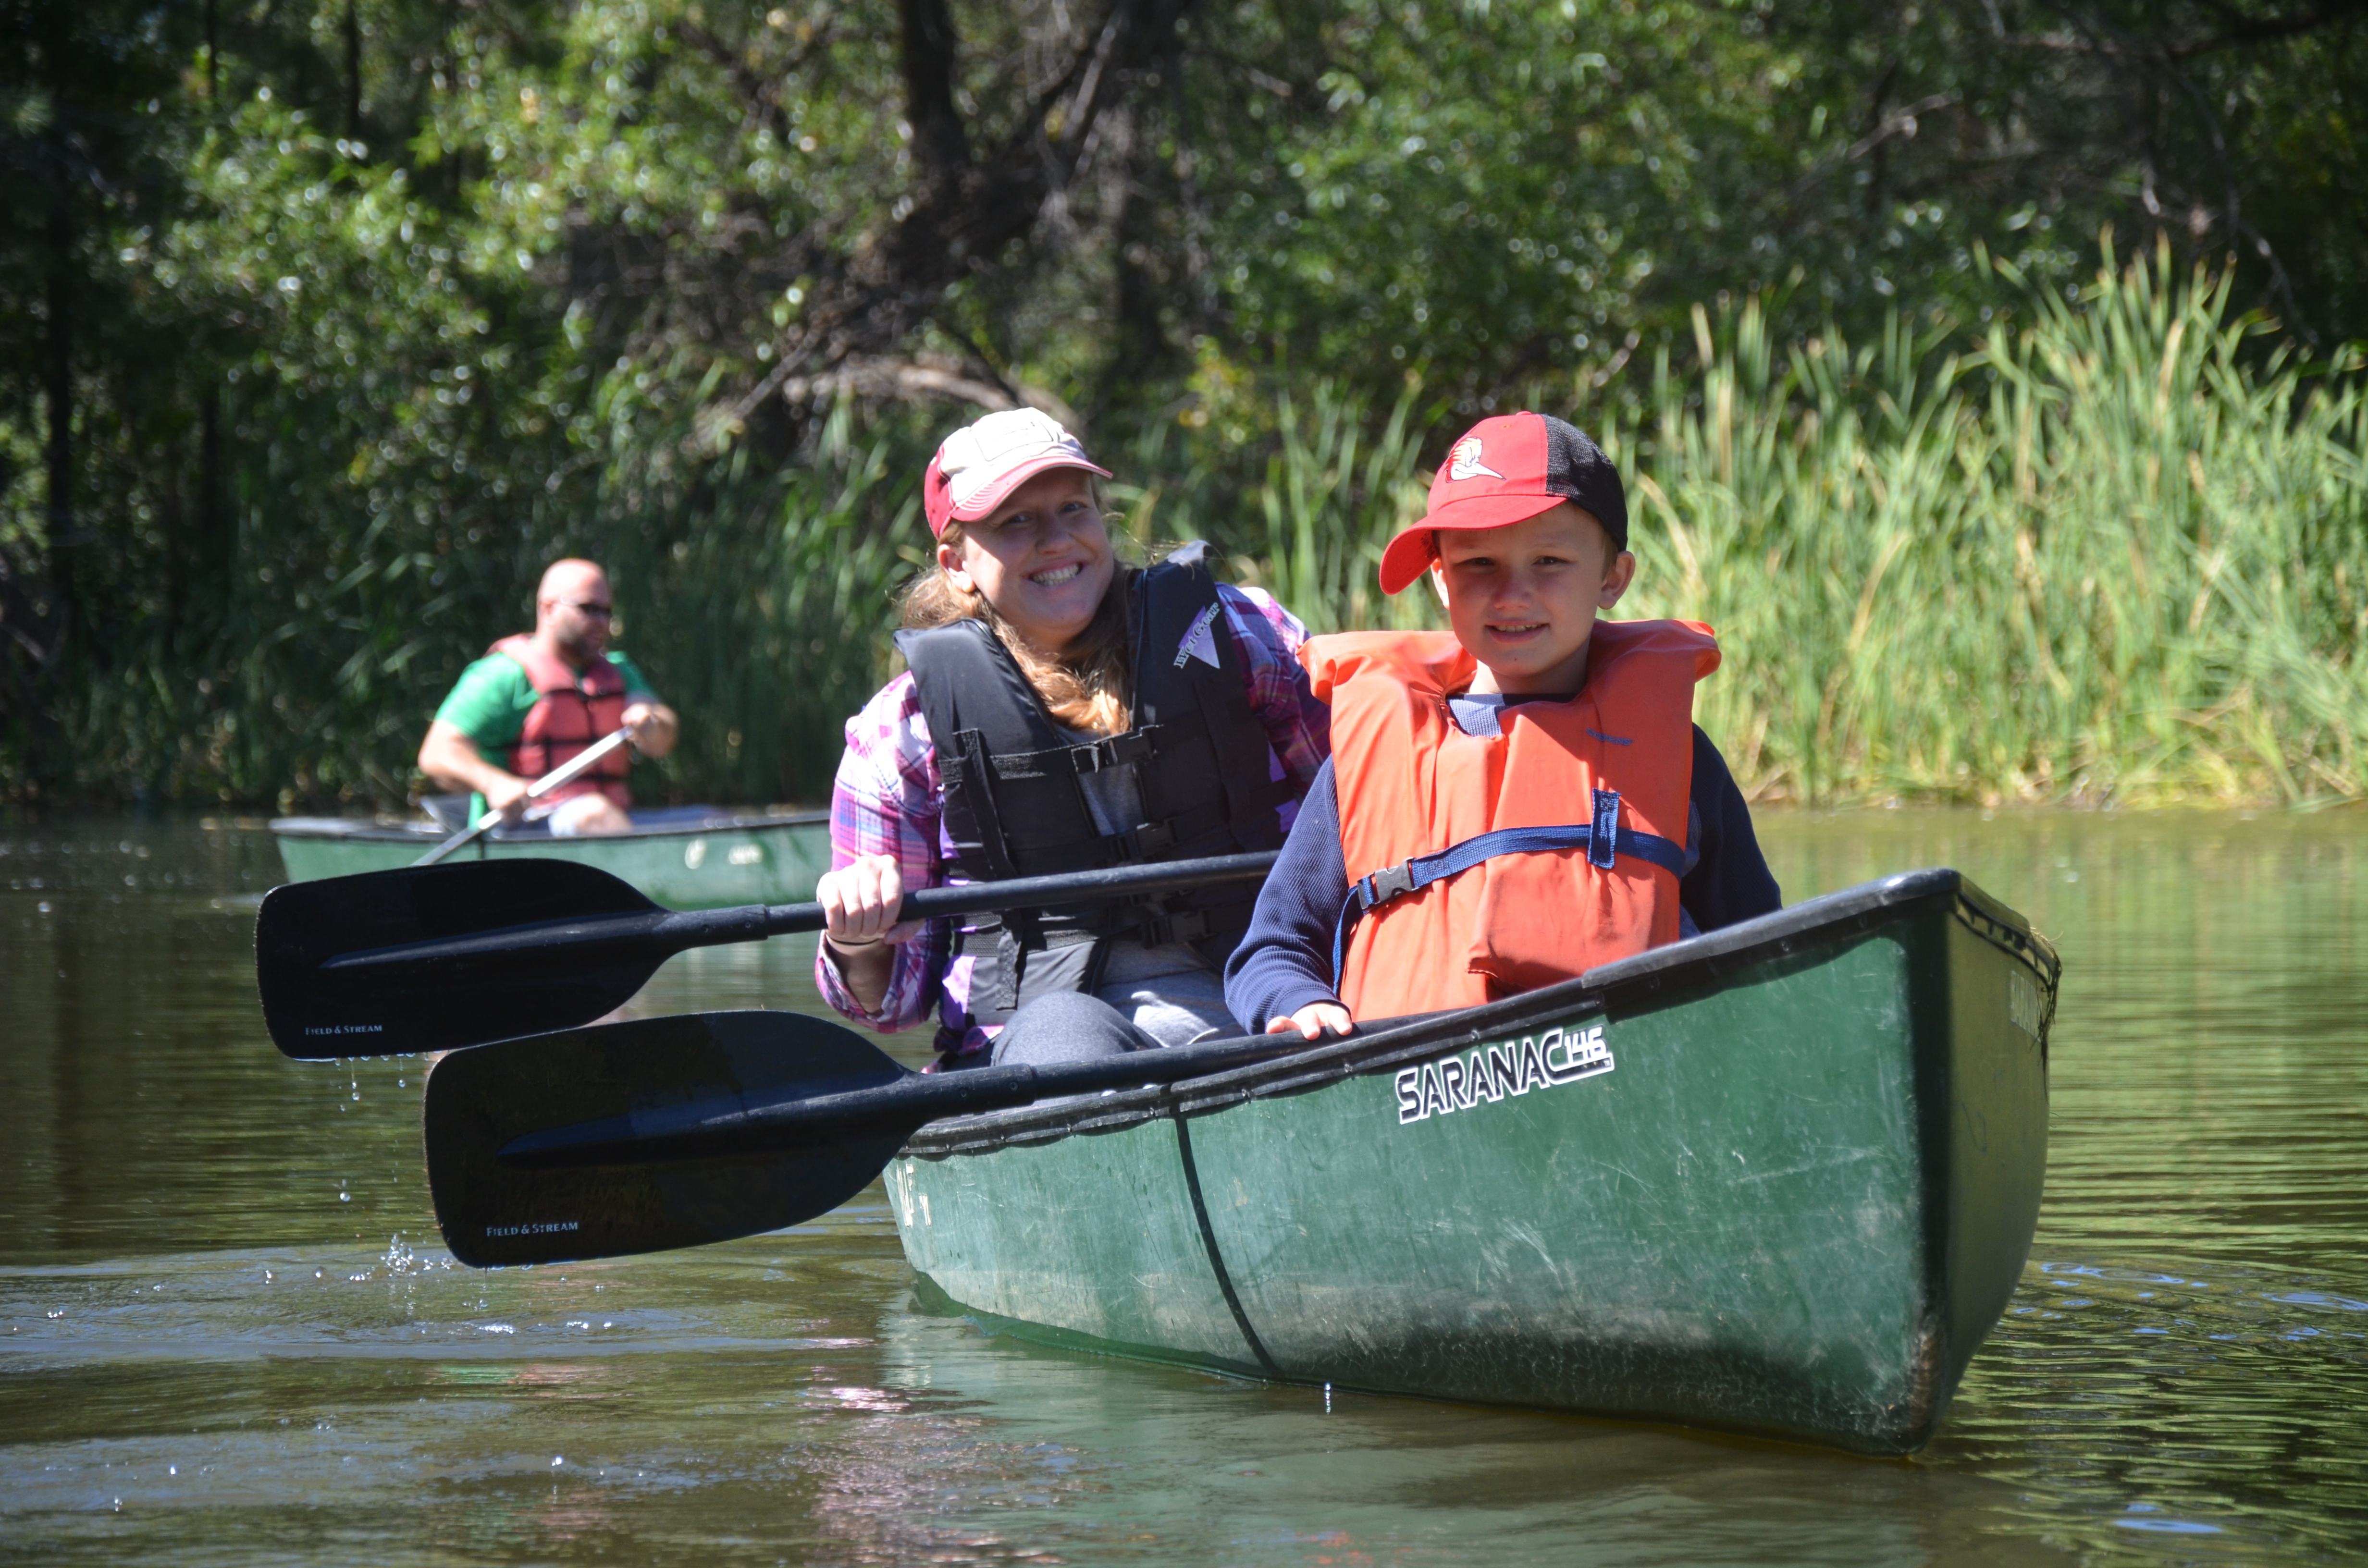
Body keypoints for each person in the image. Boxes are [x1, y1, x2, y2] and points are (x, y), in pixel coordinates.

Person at [1225, 410, 1781, 1041]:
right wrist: (1296, 1003)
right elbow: (1271, 951)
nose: (1512, 594)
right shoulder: (1360, 768)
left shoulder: (1682, 760)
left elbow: (1763, 945)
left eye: (1548, 561)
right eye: (1479, 564)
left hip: (1634, 1076)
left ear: (1612, 579)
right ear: (1440, 580)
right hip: (1416, 1092)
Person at [814, 407, 1330, 1068]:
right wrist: (860, 940)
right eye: (1016, 522)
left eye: (1073, 509)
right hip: (1042, 1052)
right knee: (1067, 1029)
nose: (1056, 539)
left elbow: (1361, 807)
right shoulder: (898, 738)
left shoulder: (1241, 635)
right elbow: (890, 1005)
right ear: (956, 564)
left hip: (1268, 1006)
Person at [416, 558, 679, 837]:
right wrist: (494, 783)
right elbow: (436, 754)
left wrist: (652, 722)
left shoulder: (619, 669)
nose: (602, 622)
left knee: (713, 819)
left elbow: (661, 736)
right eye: (588, 609)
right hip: (522, 826)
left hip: (609, 820)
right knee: (595, 813)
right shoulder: (502, 676)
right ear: (549, 609)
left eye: (607, 612)